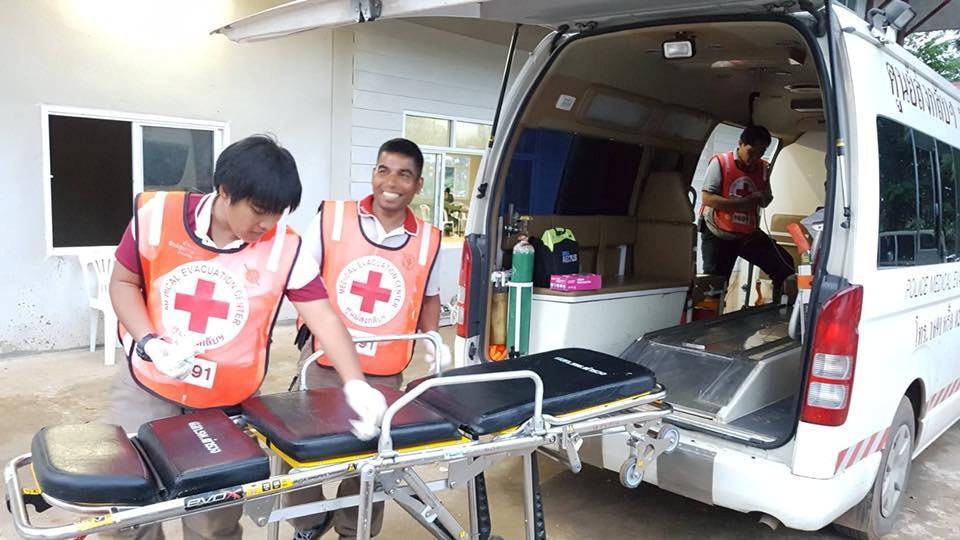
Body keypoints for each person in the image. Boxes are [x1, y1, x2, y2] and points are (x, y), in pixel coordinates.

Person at [106, 135, 387, 540]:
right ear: (225, 190)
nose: (267, 225)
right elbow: (123, 282)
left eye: (277, 214)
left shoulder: (285, 248)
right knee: (128, 510)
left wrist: (356, 383)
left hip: (222, 401)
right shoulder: (157, 215)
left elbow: (324, 317)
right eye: (259, 211)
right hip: (149, 382)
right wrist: (150, 342)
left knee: (213, 519)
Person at [289, 138, 449, 540]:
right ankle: (309, 523)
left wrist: (432, 340)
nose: (390, 181)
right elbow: (299, 282)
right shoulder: (331, 219)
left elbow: (430, 295)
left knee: (370, 463)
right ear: (373, 173)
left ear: (418, 184)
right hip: (322, 360)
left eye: (403, 174)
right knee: (298, 449)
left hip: (385, 369)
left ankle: (352, 530)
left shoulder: (429, 239)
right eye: (383, 170)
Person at [699, 124, 794, 300]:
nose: (755, 158)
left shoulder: (763, 167)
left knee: (784, 265)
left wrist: (763, 198)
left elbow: (767, 198)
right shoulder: (720, 163)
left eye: (761, 152)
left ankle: (779, 313)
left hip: (746, 234)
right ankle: (709, 325)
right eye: (752, 152)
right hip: (717, 233)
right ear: (741, 144)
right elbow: (707, 198)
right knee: (714, 288)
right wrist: (744, 203)